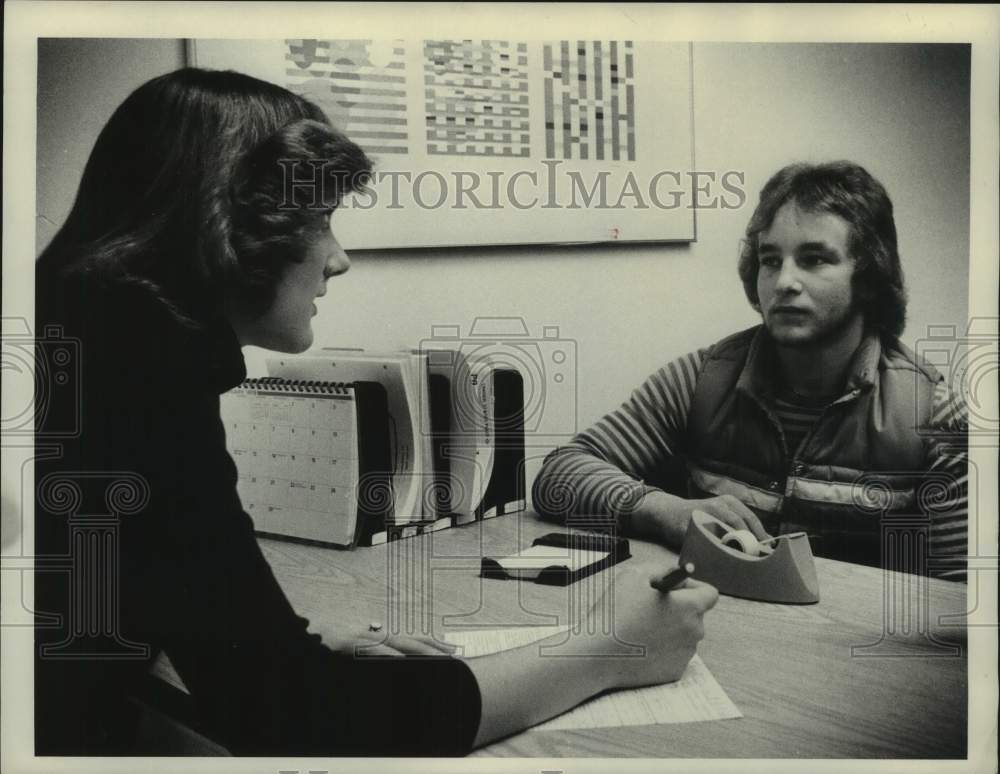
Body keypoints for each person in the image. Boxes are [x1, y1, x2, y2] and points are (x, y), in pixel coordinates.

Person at [34, 67, 718, 757]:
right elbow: (299, 718)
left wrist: (265, 636)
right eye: (321, 220)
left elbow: (116, 589)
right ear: (237, 219)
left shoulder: (80, 326)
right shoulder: (142, 363)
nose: (339, 258)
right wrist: (607, 649)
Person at [533, 161, 967, 581]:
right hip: (714, 634)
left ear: (868, 276)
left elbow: (961, 602)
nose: (783, 282)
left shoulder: (935, 417)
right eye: (771, 260)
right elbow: (560, 474)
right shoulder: (700, 380)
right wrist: (667, 511)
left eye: (814, 259)